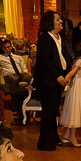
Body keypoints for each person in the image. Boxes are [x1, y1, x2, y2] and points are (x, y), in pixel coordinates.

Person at [33, 11, 69, 151]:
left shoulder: (60, 38)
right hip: (47, 80)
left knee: (54, 110)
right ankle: (44, 143)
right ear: (50, 22)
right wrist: (57, 76)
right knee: (49, 110)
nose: (61, 22)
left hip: (57, 80)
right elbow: (45, 61)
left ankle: (53, 138)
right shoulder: (45, 38)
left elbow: (64, 57)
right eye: (58, 19)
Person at [59, 42, 81, 147]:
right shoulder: (80, 61)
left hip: (78, 86)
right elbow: (72, 72)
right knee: (75, 110)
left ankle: (67, 135)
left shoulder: (77, 60)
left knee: (73, 109)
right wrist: (65, 79)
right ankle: (72, 136)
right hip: (79, 87)